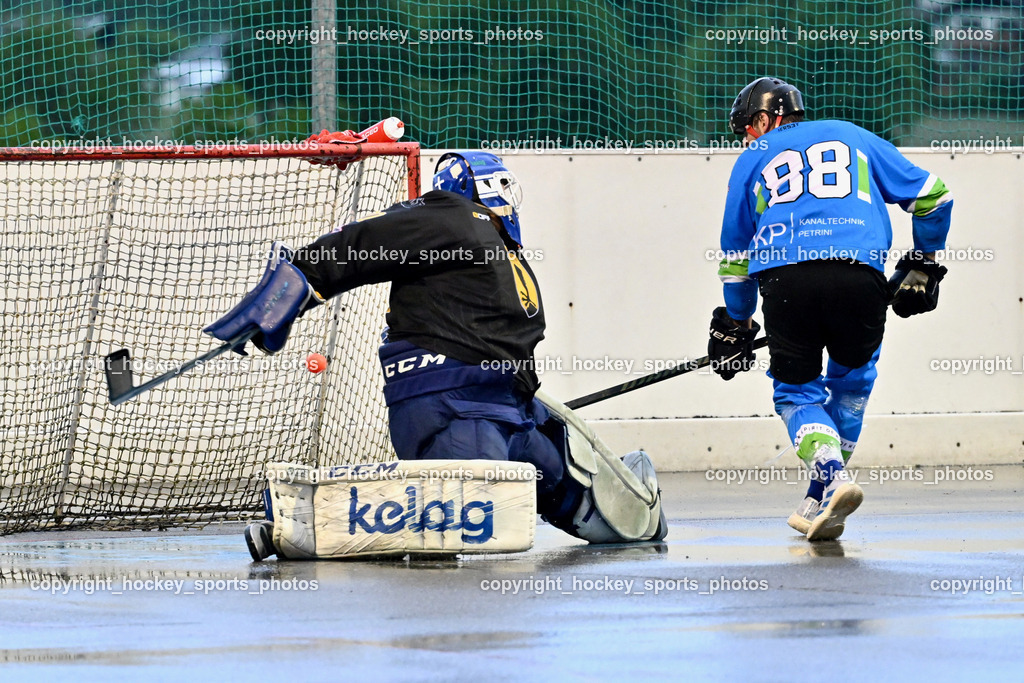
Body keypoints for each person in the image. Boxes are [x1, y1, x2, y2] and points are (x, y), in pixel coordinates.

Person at [203, 142, 666, 560]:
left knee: (584, 499)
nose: (507, 198)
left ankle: (633, 514)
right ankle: (311, 520)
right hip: (456, 408)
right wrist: (293, 286)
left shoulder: (496, 246)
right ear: (474, 188)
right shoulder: (453, 215)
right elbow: (364, 243)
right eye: (499, 186)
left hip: (508, 412)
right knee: (462, 514)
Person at [707, 77, 953, 541]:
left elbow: (736, 259)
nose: (745, 139)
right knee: (852, 380)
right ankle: (822, 493)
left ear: (765, 119)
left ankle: (830, 475)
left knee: (796, 393)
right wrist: (923, 262)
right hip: (859, 278)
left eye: (746, 128)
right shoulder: (852, 135)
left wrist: (737, 324)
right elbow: (934, 195)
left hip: (787, 280)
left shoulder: (753, 158)